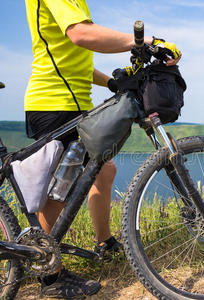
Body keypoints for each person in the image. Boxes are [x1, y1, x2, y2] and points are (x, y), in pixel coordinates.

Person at [24, 0, 181, 298]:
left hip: (74, 104)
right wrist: (145, 42)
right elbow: (81, 35)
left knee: (103, 170)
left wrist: (110, 82)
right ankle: (50, 274)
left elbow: (75, 58)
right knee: (61, 189)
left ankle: (104, 242)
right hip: (55, 103)